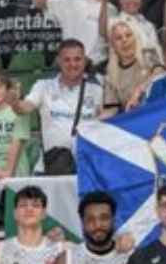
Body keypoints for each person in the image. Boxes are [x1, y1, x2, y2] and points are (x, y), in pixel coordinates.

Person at [12, 40, 104, 176]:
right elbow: (24, 108)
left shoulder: (97, 90)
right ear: (58, 61)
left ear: (84, 61)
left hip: (87, 170)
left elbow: (107, 123)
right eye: (67, 60)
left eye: (77, 59)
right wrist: (14, 101)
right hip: (50, 168)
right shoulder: (43, 86)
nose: (72, 64)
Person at [35, 0, 117, 69]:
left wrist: (104, 1)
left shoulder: (112, 10)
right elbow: (39, 4)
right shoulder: (71, 0)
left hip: (96, 69)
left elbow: (105, 34)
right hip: (69, 66)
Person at [103, 18, 160, 115]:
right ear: (113, 45)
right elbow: (111, 109)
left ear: (135, 37)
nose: (124, 40)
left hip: (157, 111)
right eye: (118, 38)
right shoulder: (110, 75)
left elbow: (160, 74)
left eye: (128, 35)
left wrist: (138, 91)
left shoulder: (148, 53)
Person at [115, 0, 163, 67]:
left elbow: (155, 52)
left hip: (152, 72)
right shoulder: (115, 24)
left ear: (141, 0)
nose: (133, 0)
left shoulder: (149, 25)